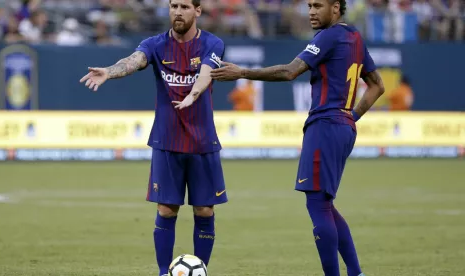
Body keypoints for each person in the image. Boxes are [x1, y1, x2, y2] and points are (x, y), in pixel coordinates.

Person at [211, 0, 385, 275]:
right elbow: (377, 85)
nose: (312, 11)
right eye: (309, 5)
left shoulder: (327, 37)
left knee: (316, 204)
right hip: (342, 126)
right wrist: (352, 117)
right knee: (325, 203)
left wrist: (242, 72)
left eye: (318, 5)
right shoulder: (354, 36)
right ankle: (355, 272)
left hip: (325, 126)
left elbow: (289, 71)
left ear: (336, 8)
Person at [79, 1, 227, 275]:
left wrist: (192, 95)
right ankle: (163, 272)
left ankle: (201, 270)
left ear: (197, 11)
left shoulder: (212, 43)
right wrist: (109, 72)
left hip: (202, 140)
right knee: (167, 209)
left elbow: (206, 73)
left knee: (205, 211)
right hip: (167, 140)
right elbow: (133, 61)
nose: (178, 11)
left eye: (184, 6)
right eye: (173, 5)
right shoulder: (155, 44)